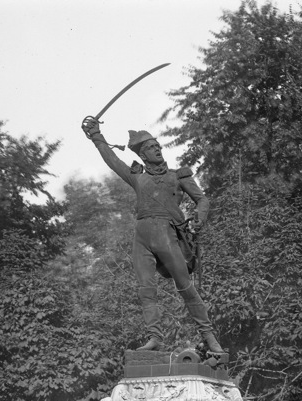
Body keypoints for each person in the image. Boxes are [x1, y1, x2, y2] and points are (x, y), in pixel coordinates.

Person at [81, 116, 224, 354]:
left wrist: (199, 218)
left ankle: (209, 337)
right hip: (142, 237)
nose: (157, 149)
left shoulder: (178, 176)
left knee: (185, 285)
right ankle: (154, 337)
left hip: (167, 233)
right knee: (146, 289)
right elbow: (112, 160)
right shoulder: (137, 177)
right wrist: (96, 136)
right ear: (142, 155)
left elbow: (202, 199)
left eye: (158, 146)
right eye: (150, 148)